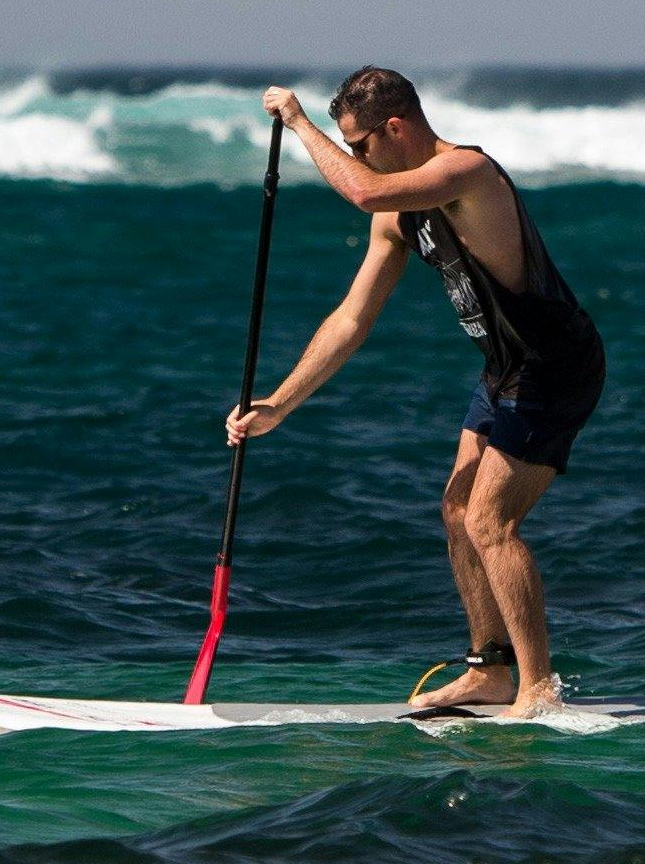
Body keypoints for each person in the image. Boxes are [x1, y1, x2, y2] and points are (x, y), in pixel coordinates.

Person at [227, 69, 606, 720]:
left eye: (360, 144)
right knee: (457, 511)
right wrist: (279, 403)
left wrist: (298, 125)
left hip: (556, 365)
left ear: (394, 129)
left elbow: (361, 192)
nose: (354, 158)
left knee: (492, 521)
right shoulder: (400, 215)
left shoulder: (467, 174)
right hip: (503, 366)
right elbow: (351, 320)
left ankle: (538, 687)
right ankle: (490, 670)